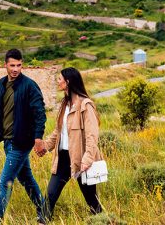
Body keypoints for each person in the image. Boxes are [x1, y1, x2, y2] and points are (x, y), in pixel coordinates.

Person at [0, 49, 47, 225]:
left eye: (19, 65)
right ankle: (45, 212)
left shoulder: (29, 85)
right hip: (8, 141)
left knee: (5, 183)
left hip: (21, 142)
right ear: (5, 65)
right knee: (26, 179)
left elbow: (40, 113)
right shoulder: (1, 84)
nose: (16, 69)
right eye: (12, 65)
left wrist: (38, 138)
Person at [40, 67, 103, 221]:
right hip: (63, 158)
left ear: (67, 82)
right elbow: (58, 131)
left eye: (60, 79)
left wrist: (87, 159)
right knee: (51, 194)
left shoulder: (85, 105)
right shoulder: (64, 104)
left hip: (80, 159)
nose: (58, 81)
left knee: (91, 198)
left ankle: (103, 220)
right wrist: (46, 146)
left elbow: (92, 135)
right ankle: (42, 221)